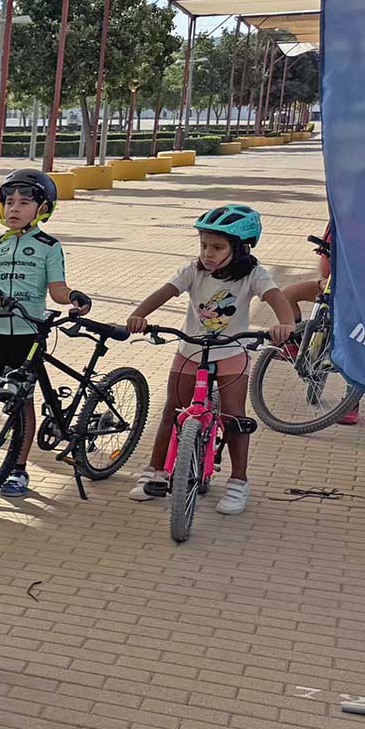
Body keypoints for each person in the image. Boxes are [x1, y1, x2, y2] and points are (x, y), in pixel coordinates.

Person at [125, 205, 297, 514]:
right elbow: (163, 293)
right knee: (172, 411)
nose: (207, 253)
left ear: (240, 248)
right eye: (204, 245)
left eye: (217, 247)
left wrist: (285, 324)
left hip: (231, 352)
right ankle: (156, 471)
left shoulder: (253, 275)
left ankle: (238, 482)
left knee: (234, 417)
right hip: (191, 350)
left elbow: (276, 298)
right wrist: (139, 315)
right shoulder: (193, 271)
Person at [0, 168, 88, 498]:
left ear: (42, 209)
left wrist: (74, 297)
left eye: (23, 203)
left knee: (22, 402)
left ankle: (18, 469)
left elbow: (58, 290)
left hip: (27, 335)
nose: (14, 208)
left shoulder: (49, 246)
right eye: (9, 202)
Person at [275, 221, 355, 424]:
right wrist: (323, 280)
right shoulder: (339, 217)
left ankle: (351, 403)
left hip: (358, 294)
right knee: (287, 295)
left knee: (355, 341)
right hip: (333, 284)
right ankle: (294, 345)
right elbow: (325, 259)